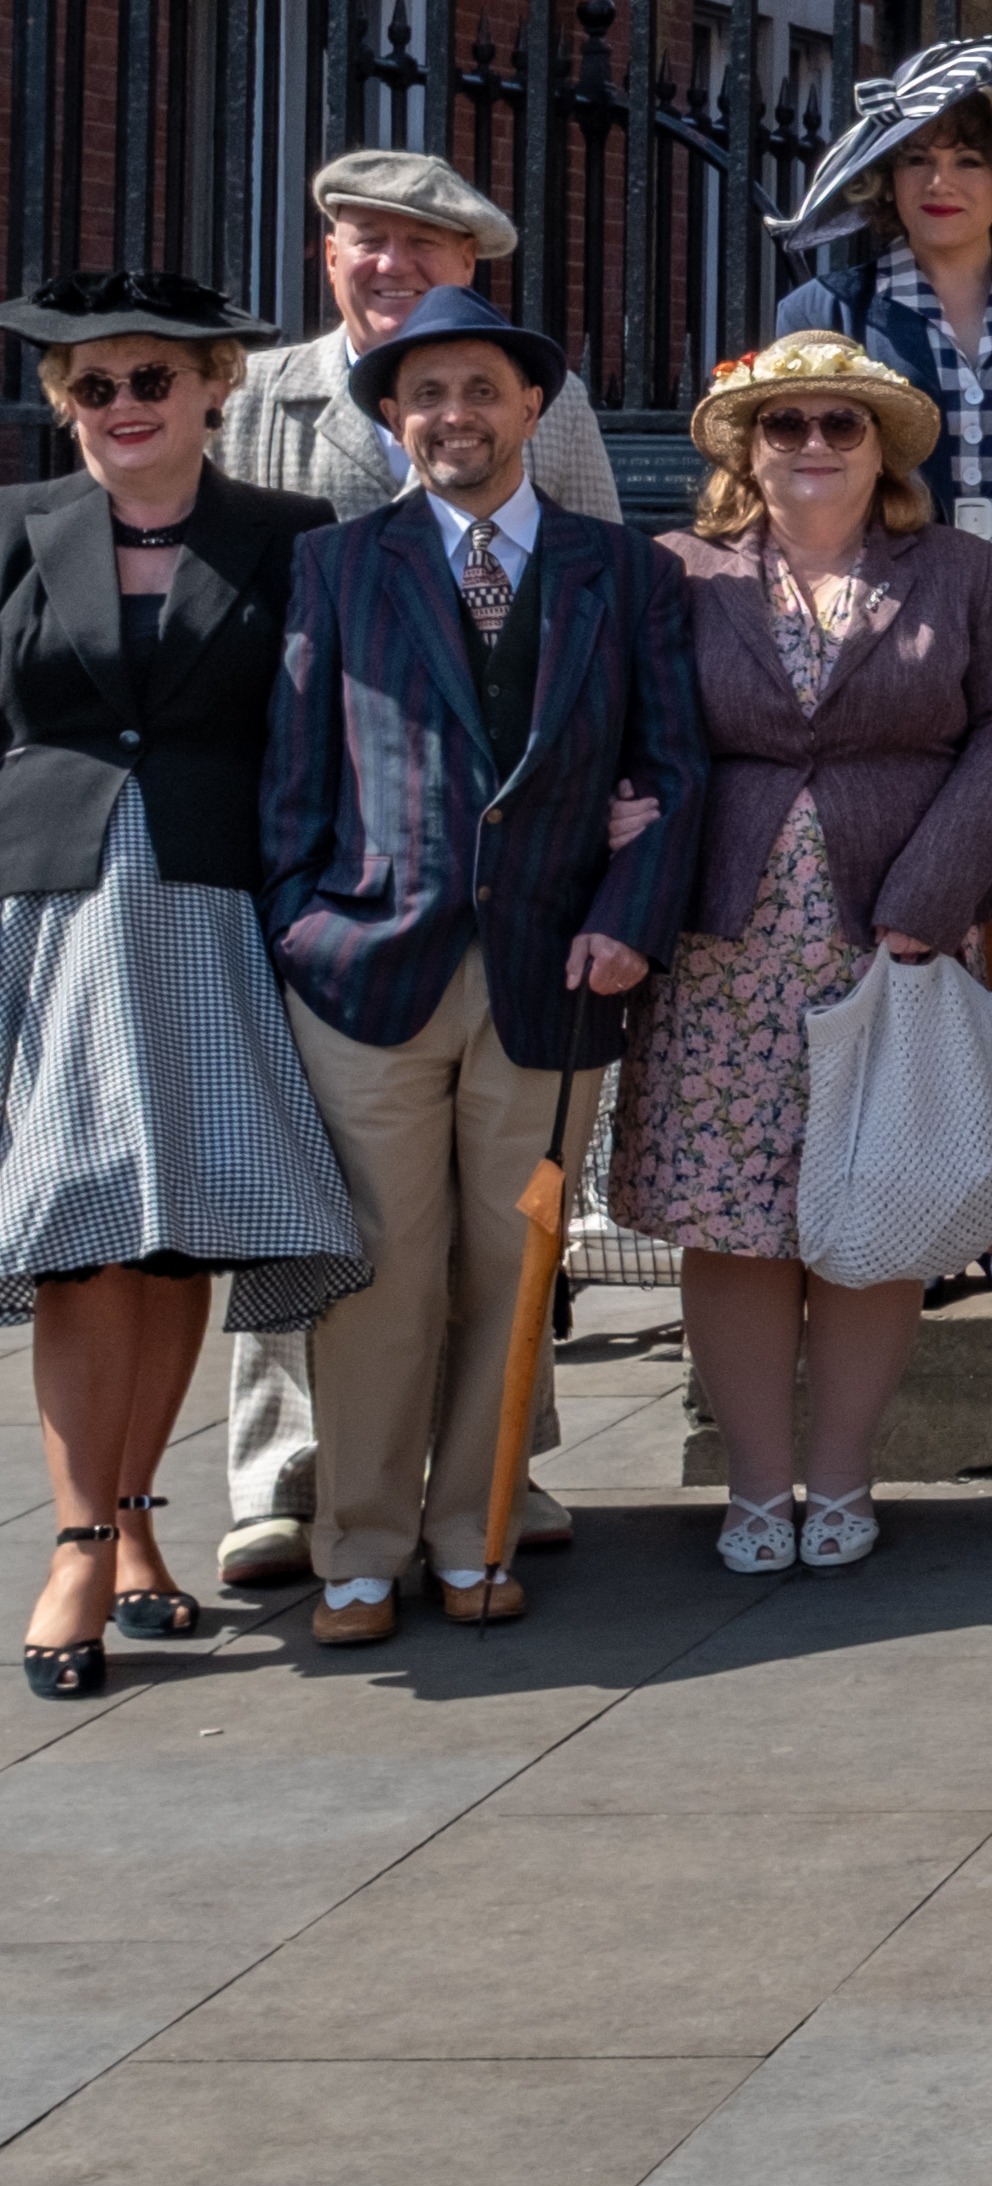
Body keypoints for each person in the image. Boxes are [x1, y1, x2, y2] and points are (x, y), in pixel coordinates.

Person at [260, 287, 703, 1640]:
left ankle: (477, 1528)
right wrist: (301, 920)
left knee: (511, 1262)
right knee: (382, 1266)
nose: (454, 415)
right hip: (368, 969)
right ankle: (359, 1539)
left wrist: (630, 914)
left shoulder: (620, 570)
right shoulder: (341, 565)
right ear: (395, 423)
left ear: (531, 408)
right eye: (425, 396)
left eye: (479, 391)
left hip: (553, 966)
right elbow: (295, 776)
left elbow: (672, 766)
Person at [218, 147, 618, 1594]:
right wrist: (294, 897)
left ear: (470, 268)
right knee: (326, 1204)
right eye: (360, 240)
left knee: (499, 1220)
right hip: (341, 851)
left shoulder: (530, 405)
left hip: (512, 877)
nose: (385, 263)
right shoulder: (263, 392)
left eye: (418, 245)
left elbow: (593, 600)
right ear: (325, 254)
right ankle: (287, 1476)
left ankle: (501, 1467)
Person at [632, 333, 992, 1578]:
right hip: (725, 947)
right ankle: (759, 1484)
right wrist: (627, 809)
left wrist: (933, 890)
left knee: (880, 1201)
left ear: (885, 451)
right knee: (739, 1219)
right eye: (786, 424)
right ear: (743, 449)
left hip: (893, 938)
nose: (813, 444)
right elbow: (629, 718)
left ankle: (846, 1474)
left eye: (842, 425)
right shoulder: (680, 573)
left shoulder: (962, 573)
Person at [0, 272, 356, 1696]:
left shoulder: (292, 539)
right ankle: (81, 1542)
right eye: (95, 386)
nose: (125, 407)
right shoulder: (19, 532)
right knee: (78, 1228)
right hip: (49, 913)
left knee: (171, 1233)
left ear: (218, 387)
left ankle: (140, 1523)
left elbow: (331, 722)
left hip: (215, 905)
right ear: (63, 404)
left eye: (154, 379)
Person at [774, 32, 992, 622]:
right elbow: (805, 471)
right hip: (876, 622)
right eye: (918, 159)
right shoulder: (822, 314)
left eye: (968, 160)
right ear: (889, 177)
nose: (941, 182)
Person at [232, 151, 629, 518]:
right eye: (370, 241)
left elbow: (603, 569)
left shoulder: (558, 404)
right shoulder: (250, 396)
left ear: (467, 261)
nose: (393, 264)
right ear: (333, 259)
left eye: (423, 241)